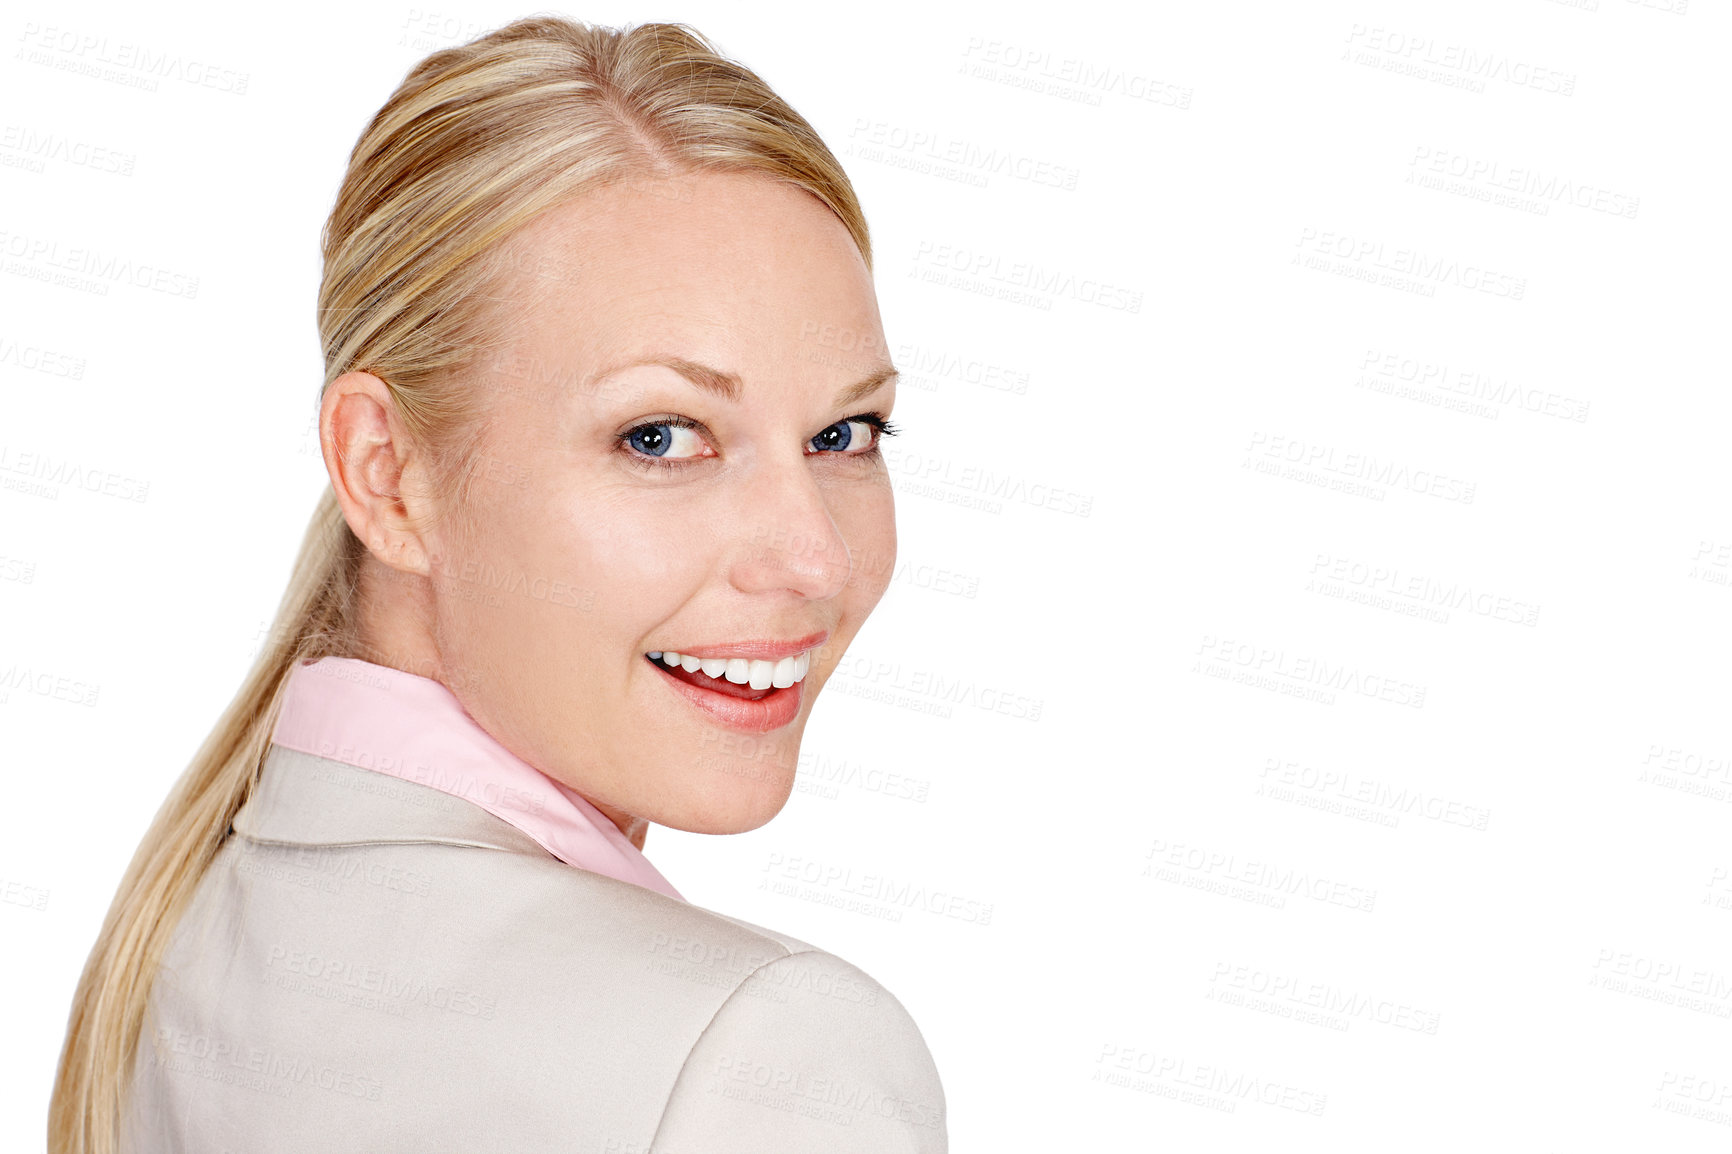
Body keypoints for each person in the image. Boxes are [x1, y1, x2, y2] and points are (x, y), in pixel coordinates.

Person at [48, 16, 946, 1152]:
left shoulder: (191, 939)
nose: (816, 557)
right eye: (660, 436)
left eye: (844, 431)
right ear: (388, 475)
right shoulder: (761, 1052)